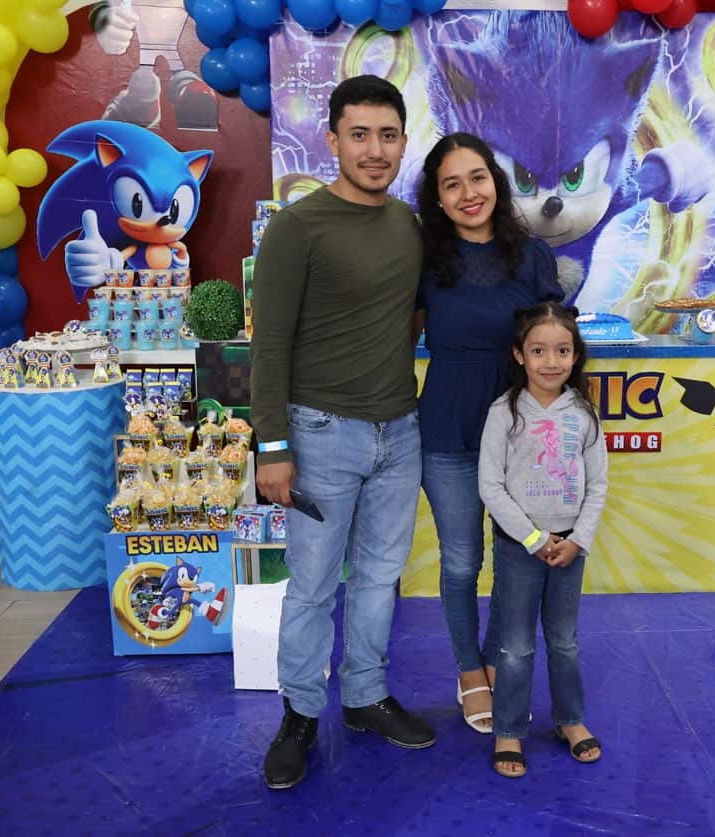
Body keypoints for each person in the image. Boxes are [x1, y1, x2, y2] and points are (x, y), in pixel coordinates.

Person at [251, 74, 433, 791]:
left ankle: (364, 695)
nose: (374, 149)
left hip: (401, 431)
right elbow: (269, 344)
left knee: (381, 578)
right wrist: (272, 446)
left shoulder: (409, 225)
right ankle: (299, 715)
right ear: (332, 140)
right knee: (313, 586)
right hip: (320, 433)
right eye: (359, 134)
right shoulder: (297, 227)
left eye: (387, 135)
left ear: (403, 143)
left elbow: (411, 316)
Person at [415, 132, 565, 735]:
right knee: (460, 561)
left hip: (520, 434)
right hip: (447, 429)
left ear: (495, 183)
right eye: (451, 184)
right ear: (438, 199)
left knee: (513, 556)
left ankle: (501, 661)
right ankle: (469, 671)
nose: (468, 193)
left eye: (476, 178)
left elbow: (555, 342)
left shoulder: (532, 257)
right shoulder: (425, 260)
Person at [477, 302, 609, 779]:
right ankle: (509, 729)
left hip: (570, 550)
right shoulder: (504, 412)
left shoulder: (585, 413)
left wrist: (579, 540)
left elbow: (597, 484)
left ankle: (570, 720)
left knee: (564, 641)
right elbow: (491, 486)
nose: (551, 362)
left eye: (562, 351)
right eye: (538, 351)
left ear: (576, 356)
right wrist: (534, 538)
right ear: (519, 354)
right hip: (521, 549)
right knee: (515, 647)